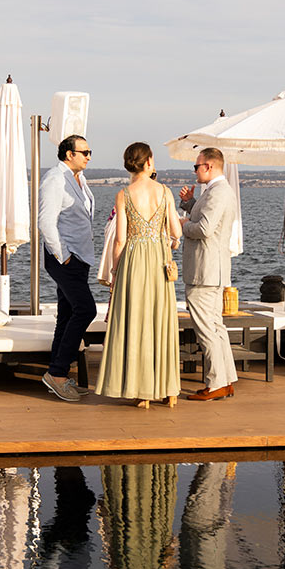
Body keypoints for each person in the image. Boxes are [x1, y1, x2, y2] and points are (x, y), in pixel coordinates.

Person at [95, 143, 182, 408]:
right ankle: (170, 391)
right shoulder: (165, 191)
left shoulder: (123, 194)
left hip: (133, 261)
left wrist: (114, 270)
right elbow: (176, 232)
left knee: (136, 322)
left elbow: (120, 240)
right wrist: (169, 242)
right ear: (147, 163)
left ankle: (141, 392)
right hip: (158, 260)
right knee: (161, 321)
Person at [38, 135, 97, 402]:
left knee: (67, 314)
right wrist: (64, 257)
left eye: (89, 152)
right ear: (68, 154)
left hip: (80, 257)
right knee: (86, 309)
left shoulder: (79, 180)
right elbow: (46, 222)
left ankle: (57, 372)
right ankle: (58, 374)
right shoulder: (55, 180)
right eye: (84, 152)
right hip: (65, 257)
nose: (88, 156)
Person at [180, 147, 238, 401]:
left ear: (210, 166)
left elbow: (204, 228)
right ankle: (226, 380)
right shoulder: (216, 192)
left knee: (206, 329)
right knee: (216, 327)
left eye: (197, 166)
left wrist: (182, 225)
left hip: (204, 270)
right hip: (214, 269)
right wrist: (190, 203)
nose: (194, 170)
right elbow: (207, 219)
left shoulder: (218, 192)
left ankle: (215, 384)